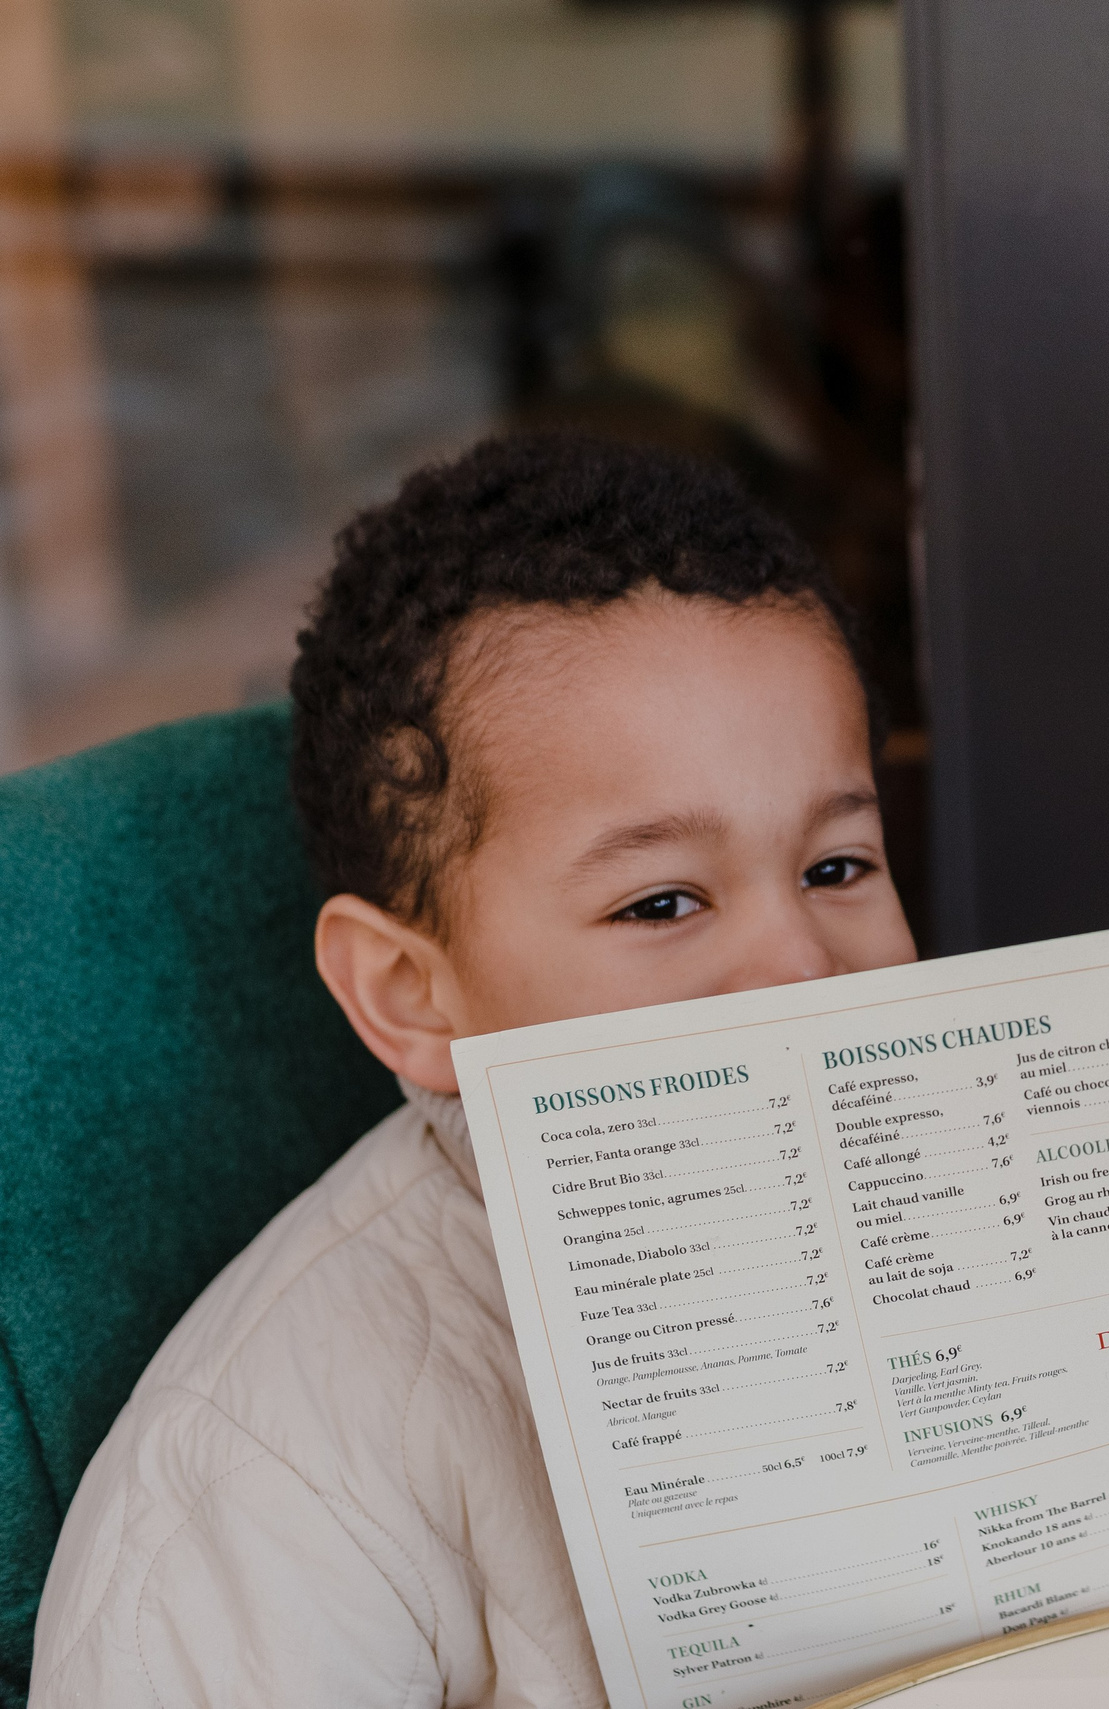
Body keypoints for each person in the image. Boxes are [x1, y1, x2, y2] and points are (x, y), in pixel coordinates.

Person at [32, 433, 916, 1705]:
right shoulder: (273, 1476)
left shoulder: (1014, 1227)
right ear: (412, 992)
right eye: (662, 901)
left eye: (836, 867)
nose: (800, 969)